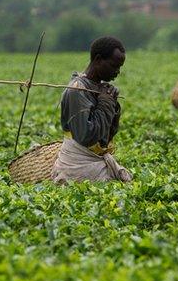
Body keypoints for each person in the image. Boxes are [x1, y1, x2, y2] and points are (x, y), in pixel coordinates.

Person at [51, 36, 133, 184]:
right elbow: (86, 136)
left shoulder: (98, 88)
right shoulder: (76, 90)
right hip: (77, 166)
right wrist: (106, 103)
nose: (117, 72)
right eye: (114, 66)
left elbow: (106, 136)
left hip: (96, 160)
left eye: (120, 67)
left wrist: (112, 103)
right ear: (98, 60)